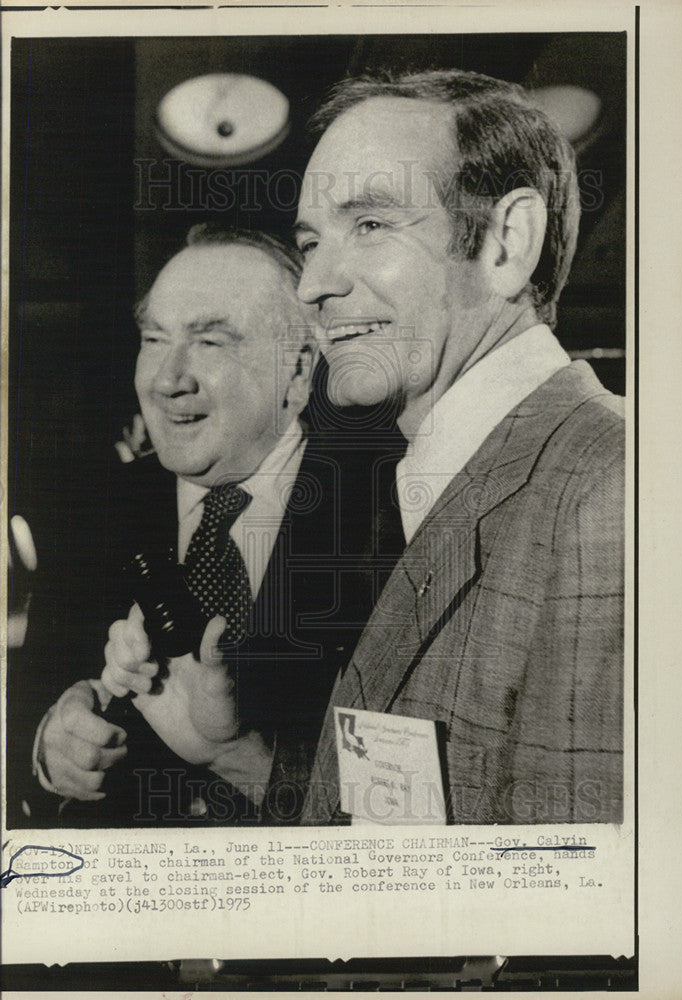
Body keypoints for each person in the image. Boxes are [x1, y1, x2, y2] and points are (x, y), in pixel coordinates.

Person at [292, 69, 624, 825]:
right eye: (309, 241)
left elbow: (574, 912)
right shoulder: (445, 480)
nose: (312, 283)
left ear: (508, 244)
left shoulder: (609, 490)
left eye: (370, 225)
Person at [29, 226, 403, 826]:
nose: (167, 378)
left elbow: (417, 816)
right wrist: (51, 746)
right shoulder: (87, 510)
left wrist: (244, 760)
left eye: (210, 342)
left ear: (300, 369)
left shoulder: (396, 522)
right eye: (155, 338)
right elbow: (23, 698)